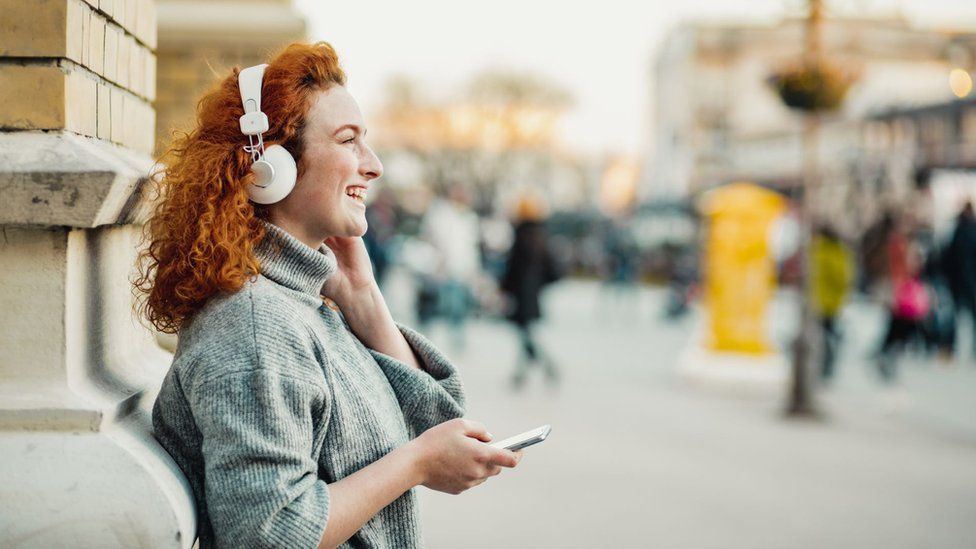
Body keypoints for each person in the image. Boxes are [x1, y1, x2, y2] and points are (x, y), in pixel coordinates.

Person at [137, 43, 521, 549]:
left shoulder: (307, 303)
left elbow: (440, 423)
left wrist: (363, 297)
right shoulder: (255, 327)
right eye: (348, 141)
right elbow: (270, 534)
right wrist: (417, 462)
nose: (374, 165)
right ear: (269, 167)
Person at [500, 194, 562, 388]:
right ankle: (527, 371)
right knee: (526, 334)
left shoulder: (521, 236)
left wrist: (505, 287)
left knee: (526, 335)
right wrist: (537, 285)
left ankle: (546, 365)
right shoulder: (542, 236)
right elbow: (554, 272)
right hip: (532, 295)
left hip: (521, 295)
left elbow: (512, 270)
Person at [809, 223, 853, 381]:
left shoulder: (817, 251)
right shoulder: (839, 253)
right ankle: (827, 365)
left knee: (822, 334)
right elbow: (843, 279)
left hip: (817, 300)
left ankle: (823, 364)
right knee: (827, 334)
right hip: (832, 300)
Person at [942, 201, 976, 359]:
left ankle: (951, 347)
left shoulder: (957, 230)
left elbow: (947, 257)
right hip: (969, 281)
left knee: (954, 315)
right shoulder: (969, 230)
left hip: (958, 281)